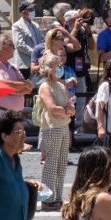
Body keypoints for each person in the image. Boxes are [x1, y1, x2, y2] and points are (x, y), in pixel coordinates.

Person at [36, 52, 73, 210]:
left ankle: (57, 195)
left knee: (61, 163)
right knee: (51, 163)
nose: (60, 68)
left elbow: (71, 106)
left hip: (64, 126)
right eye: (57, 66)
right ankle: (47, 197)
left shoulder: (61, 85)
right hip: (52, 128)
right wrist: (66, 110)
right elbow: (52, 108)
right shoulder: (45, 86)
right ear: (50, 69)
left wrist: (65, 110)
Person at [0, 35, 30, 113]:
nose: (14, 49)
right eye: (12, 46)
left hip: (17, 114)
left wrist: (11, 89)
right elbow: (1, 86)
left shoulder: (14, 67)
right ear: (3, 48)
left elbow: (28, 88)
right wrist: (21, 87)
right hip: (0, 112)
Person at [10, 1, 41, 76]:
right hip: (25, 64)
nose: (33, 11)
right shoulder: (17, 26)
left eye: (33, 9)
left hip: (37, 62)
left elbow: (42, 39)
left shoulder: (35, 25)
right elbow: (19, 44)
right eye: (30, 10)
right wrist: (34, 53)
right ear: (23, 12)